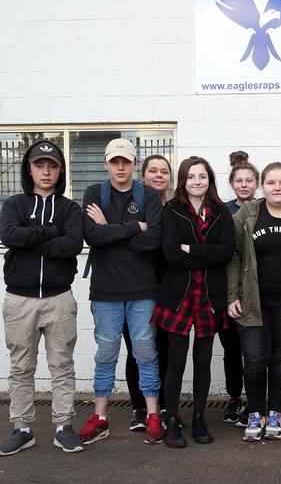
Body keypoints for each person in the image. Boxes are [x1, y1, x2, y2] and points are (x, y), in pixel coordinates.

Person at [0, 140, 85, 455]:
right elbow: (9, 235)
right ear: (29, 169)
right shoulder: (14, 205)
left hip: (59, 298)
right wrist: (50, 232)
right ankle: (22, 428)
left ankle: (63, 425)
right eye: (39, 165)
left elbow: (73, 244)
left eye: (52, 166)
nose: (46, 172)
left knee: (61, 363)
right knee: (21, 366)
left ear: (60, 170)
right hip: (19, 300)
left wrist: (33, 236)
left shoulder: (69, 208)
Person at [78, 138, 164, 445]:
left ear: (133, 165)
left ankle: (153, 415)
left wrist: (111, 229)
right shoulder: (93, 193)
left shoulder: (149, 194)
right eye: (114, 161)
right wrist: (133, 226)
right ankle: (100, 417)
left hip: (142, 290)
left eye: (125, 161)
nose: (120, 167)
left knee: (145, 353)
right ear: (106, 164)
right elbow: (92, 236)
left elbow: (153, 239)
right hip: (105, 292)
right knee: (105, 354)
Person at [152, 156, 234, 448]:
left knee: (203, 361)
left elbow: (225, 252)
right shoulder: (172, 210)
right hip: (179, 295)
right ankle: (172, 419)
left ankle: (199, 418)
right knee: (175, 360)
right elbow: (171, 254)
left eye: (202, 176)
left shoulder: (221, 212)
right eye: (191, 177)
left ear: (209, 179)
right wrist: (204, 254)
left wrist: (193, 248)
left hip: (209, 296)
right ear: (183, 180)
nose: (197, 182)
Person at [227, 162, 281, 442]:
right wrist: (232, 296)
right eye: (272, 182)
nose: (277, 188)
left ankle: (275, 411)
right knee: (254, 360)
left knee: (280, 358)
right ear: (262, 185)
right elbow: (234, 256)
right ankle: (255, 413)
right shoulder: (249, 213)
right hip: (253, 302)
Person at [122, 154, 173, 432]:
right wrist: (135, 232)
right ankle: (139, 408)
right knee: (136, 351)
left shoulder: (175, 208)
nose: (158, 175)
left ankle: (162, 407)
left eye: (164, 171)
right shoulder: (131, 206)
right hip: (134, 288)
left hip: (166, 291)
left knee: (162, 349)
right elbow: (121, 241)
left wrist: (139, 235)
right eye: (152, 171)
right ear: (143, 176)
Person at [221, 153, 259, 424]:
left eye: (249, 180)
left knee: (254, 352)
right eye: (239, 181)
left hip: (255, 293)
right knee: (232, 350)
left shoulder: (265, 209)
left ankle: (256, 401)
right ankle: (235, 398)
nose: (244, 185)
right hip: (228, 292)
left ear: (257, 183)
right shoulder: (222, 212)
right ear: (232, 183)